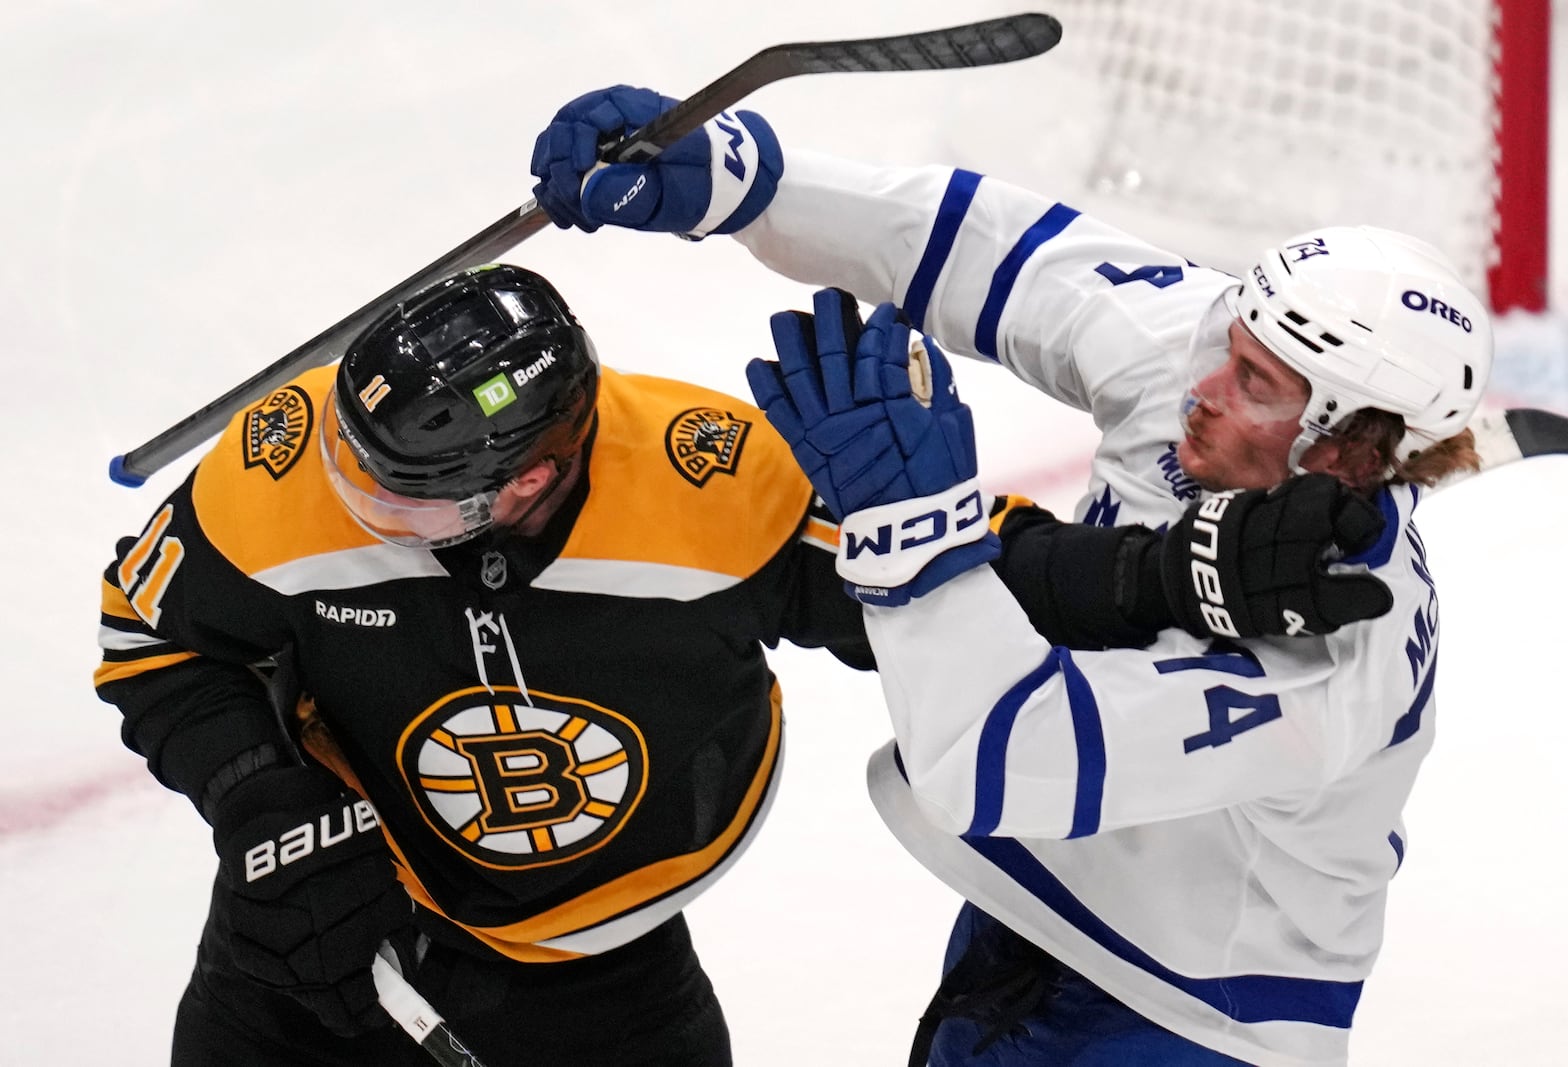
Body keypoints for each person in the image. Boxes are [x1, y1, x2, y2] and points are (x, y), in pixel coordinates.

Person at [95, 263, 1386, 1066]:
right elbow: (151, 639)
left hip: (611, 985)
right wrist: (265, 802)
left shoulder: (709, 481)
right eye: (350, 468)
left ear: (532, 475)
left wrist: (1182, 570)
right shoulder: (278, 468)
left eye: (408, 501)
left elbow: (956, 572)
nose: (356, 504)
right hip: (308, 949)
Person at [527, 86, 1493, 1065]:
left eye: (1251, 382)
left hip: (1194, 1015)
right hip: (1034, 909)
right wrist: (746, 182)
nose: (1197, 387)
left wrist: (911, 524)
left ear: (1346, 448)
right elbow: (988, 247)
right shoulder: (1206, 370)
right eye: (1228, 346)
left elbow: (997, 755)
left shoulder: (1338, 661)